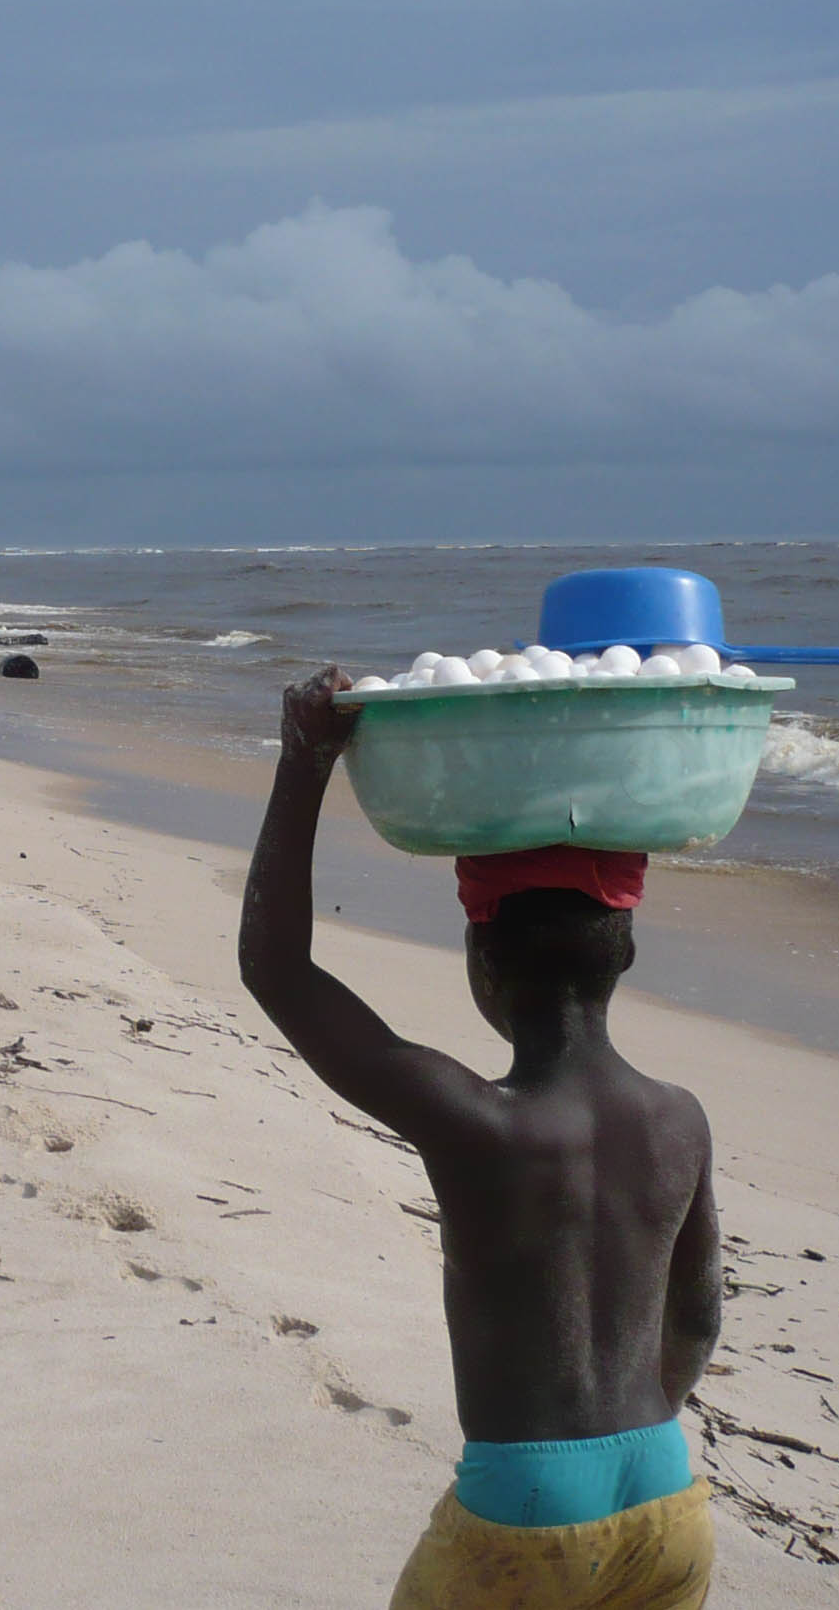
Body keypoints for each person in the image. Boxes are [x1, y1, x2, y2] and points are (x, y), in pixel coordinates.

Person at [237, 666, 721, 1610]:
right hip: (668, 1497)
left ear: (483, 962)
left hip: (524, 1513)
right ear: (624, 952)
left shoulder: (475, 1120)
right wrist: (637, 1431)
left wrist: (305, 760)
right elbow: (698, 1319)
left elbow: (276, 970)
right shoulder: (680, 1121)